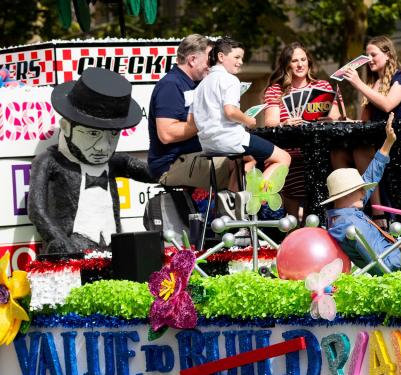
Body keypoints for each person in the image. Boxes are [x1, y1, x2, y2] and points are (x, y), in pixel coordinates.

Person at [30, 68, 153, 254]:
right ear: (66, 127)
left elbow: (154, 173)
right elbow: (37, 210)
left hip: (113, 247)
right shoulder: (50, 161)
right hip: (72, 247)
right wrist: (59, 239)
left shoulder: (115, 162)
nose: (103, 147)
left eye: (113, 134)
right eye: (92, 134)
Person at [191, 37, 290, 196]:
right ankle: (256, 199)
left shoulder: (202, 84)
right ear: (221, 57)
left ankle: (233, 203)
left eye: (242, 58)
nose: (240, 62)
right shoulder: (230, 80)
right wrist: (248, 120)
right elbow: (230, 111)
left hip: (208, 144)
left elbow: (194, 117)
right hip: (230, 139)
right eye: (236, 57)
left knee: (248, 159)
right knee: (283, 158)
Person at [263, 43, 346, 218]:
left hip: (318, 154)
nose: (300, 64)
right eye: (294, 61)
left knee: (314, 208)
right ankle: (291, 233)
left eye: (303, 59)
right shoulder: (275, 90)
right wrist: (284, 123)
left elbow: (336, 117)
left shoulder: (322, 86)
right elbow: (270, 122)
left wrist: (328, 119)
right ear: (287, 65)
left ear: (308, 62)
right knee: (291, 218)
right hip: (289, 154)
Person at [147, 34, 232, 189]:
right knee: (239, 164)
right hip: (171, 165)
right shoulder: (171, 85)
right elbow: (167, 134)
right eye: (210, 59)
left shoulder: (200, 84)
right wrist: (208, 121)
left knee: (254, 156)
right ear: (192, 60)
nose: (213, 65)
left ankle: (233, 208)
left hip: (197, 156)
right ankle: (234, 210)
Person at [341, 36, 401, 193]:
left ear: (388, 54)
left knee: (400, 188)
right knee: (350, 154)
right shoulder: (373, 84)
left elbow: (387, 105)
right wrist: (347, 121)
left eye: (373, 55)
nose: (369, 59)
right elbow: (365, 121)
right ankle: (378, 213)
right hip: (380, 142)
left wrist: (358, 83)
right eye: (367, 56)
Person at [323, 113, 400, 274]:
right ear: (345, 195)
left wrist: (388, 143)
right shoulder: (348, 224)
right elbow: (383, 266)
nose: (364, 191)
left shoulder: (346, 213)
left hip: (398, 258)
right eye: (359, 189)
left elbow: (371, 175)